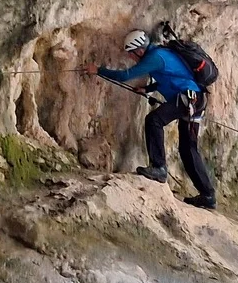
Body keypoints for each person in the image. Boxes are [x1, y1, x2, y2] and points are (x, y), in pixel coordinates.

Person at [84, 29, 216, 209]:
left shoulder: (155, 57)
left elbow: (125, 76)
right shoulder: (161, 55)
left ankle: (159, 168)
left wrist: (98, 70)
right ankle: (208, 196)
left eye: (131, 53)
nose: (131, 57)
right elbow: (169, 77)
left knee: (154, 120)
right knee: (187, 149)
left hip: (188, 98)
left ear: (138, 50)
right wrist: (147, 89)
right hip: (195, 99)